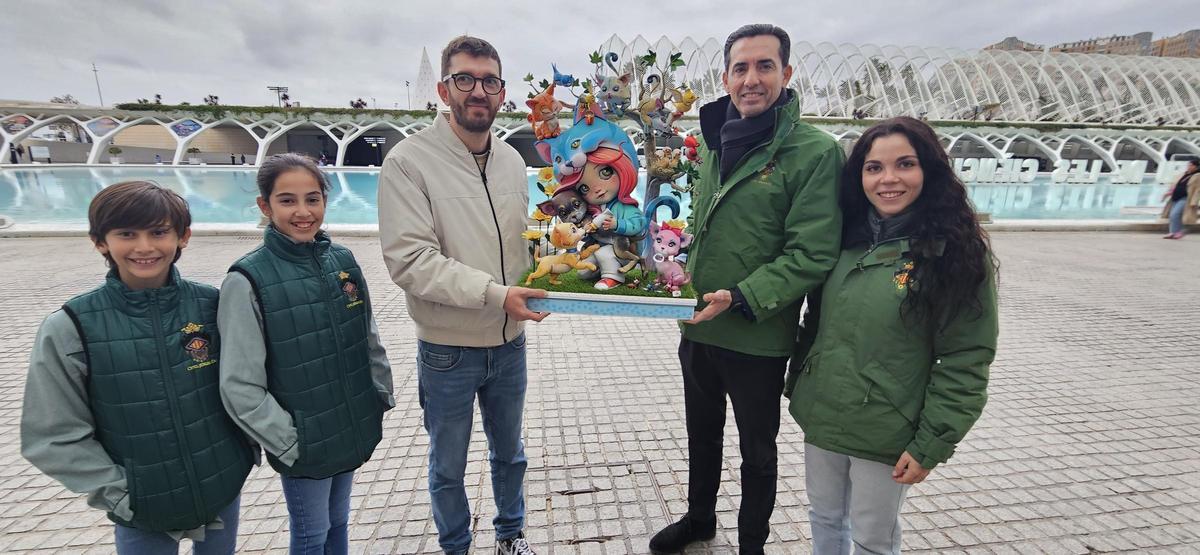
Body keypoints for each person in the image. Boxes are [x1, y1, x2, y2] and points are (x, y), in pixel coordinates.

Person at [652, 24, 844, 555]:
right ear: (726, 77)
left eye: (764, 67)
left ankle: (751, 545)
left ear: (786, 73)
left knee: (758, 450)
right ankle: (699, 520)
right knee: (701, 434)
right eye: (741, 68)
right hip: (698, 325)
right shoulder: (716, 139)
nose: (751, 79)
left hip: (757, 335)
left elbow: (812, 253)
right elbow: (707, 223)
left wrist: (739, 297)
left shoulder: (813, 152)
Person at [787, 116, 998, 553]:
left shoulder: (952, 254)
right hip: (824, 416)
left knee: (872, 537)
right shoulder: (845, 240)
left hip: (887, 428)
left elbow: (965, 359)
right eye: (873, 167)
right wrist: (801, 383)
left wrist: (931, 443)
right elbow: (816, 321)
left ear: (929, 171)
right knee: (825, 518)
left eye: (904, 164)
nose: (888, 179)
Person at [21, 181, 253, 554]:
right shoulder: (72, 326)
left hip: (220, 485)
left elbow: (246, 383)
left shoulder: (212, 305)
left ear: (183, 237)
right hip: (142, 506)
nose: (144, 247)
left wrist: (239, 456)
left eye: (159, 232)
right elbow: (52, 435)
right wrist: (122, 495)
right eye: (127, 234)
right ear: (100, 241)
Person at [378, 35, 542, 555]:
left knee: (510, 455)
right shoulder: (409, 162)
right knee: (448, 466)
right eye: (465, 79)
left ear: (502, 92)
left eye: (489, 81)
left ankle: (510, 537)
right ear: (445, 88)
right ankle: (456, 546)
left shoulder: (514, 161)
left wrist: (555, 272)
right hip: (448, 350)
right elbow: (410, 261)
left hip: (509, 342)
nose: (478, 91)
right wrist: (497, 295)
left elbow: (522, 244)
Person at [218, 153, 394, 555]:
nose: (303, 212)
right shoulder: (246, 279)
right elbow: (240, 383)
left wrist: (379, 393)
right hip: (302, 438)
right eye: (287, 200)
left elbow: (368, 336)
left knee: (337, 523)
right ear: (265, 206)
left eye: (312, 199)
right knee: (312, 534)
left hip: (349, 422)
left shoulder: (342, 261)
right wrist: (287, 440)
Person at [1160, 157, 1199, 239]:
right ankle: (1172, 232)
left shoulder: (1197, 176)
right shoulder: (1183, 174)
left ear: (1196, 167)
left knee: (1175, 214)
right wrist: (1168, 193)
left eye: (1191, 165)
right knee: (1172, 215)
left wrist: (1194, 202)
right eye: (1188, 165)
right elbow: (1175, 184)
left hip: (1185, 198)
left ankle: (1178, 232)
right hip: (1175, 197)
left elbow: (1197, 190)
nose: (1189, 166)